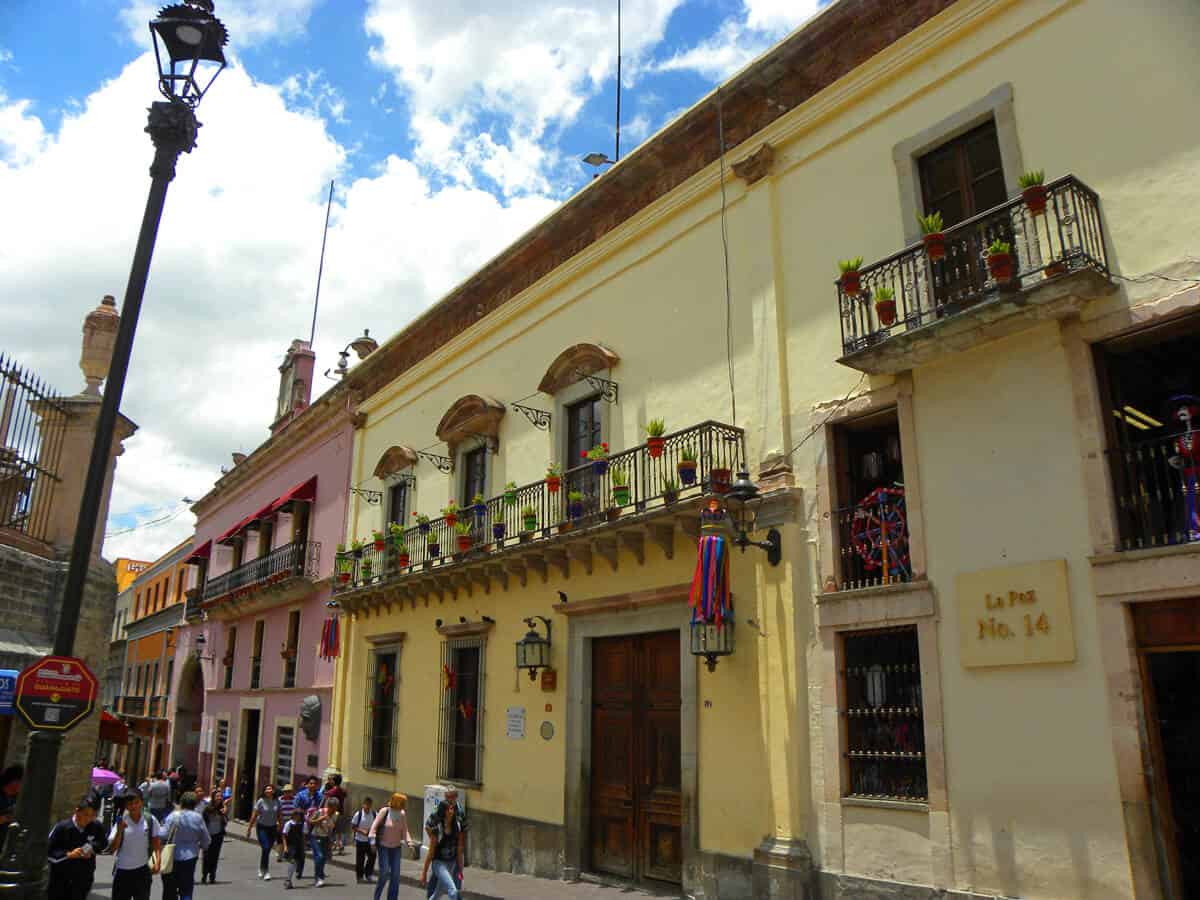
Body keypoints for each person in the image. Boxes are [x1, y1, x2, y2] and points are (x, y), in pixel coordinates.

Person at [47, 794, 108, 900]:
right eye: (86, 814)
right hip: (61, 880)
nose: (88, 819)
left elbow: (103, 843)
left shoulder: (96, 826)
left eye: (93, 815)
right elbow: (49, 851)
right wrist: (69, 854)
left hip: (83, 880)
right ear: (77, 811)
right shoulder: (62, 827)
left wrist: (91, 848)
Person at [107, 789, 162, 900]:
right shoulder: (121, 822)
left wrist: (158, 862)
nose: (133, 806)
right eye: (130, 804)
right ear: (126, 806)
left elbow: (156, 844)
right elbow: (112, 849)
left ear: (142, 802)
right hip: (122, 872)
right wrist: (119, 831)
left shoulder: (150, 820)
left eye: (136, 802)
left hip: (142, 872)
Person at [420, 787, 466, 900]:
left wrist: (460, 868)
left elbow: (460, 845)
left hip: (453, 861)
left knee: (438, 894)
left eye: (451, 797)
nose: (449, 801)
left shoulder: (458, 817)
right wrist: (424, 873)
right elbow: (431, 852)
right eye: (447, 797)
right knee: (453, 891)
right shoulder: (438, 823)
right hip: (439, 862)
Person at [162, 792, 209, 900]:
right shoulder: (198, 818)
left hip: (172, 857)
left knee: (169, 889)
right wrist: (202, 846)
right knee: (186, 889)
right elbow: (206, 839)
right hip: (190, 857)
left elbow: (163, 834)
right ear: (195, 804)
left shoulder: (173, 816)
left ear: (181, 802)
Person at [370, 792, 416, 900]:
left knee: (395, 876)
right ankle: (377, 896)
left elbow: (405, 831)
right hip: (383, 847)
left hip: (396, 848)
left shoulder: (402, 814)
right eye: (402, 803)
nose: (404, 805)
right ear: (396, 802)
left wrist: (410, 843)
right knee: (384, 873)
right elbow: (374, 827)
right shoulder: (384, 811)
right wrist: (372, 842)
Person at [245, 783, 280, 880]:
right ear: (264, 791)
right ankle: (266, 870)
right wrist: (249, 829)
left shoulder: (277, 801)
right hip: (262, 828)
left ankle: (262, 867)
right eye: (267, 789)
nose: (268, 790)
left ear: (273, 791)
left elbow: (279, 815)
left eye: (270, 789)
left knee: (267, 849)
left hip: (272, 828)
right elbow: (254, 815)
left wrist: (280, 827)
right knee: (265, 847)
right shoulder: (261, 801)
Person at [306, 796, 339, 888]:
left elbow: (334, 828)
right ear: (329, 806)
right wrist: (321, 819)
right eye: (333, 806)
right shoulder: (320, 812)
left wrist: (333, 841)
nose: (334, 809)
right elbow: (310, 821)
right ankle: (319, 877)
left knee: (323, 858)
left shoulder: (336, 815)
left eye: (336, 806)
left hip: (326, 838)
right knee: (319, 856)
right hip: (315, 836)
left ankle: (319, 874)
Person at [199, 788, 226, 884]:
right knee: (206, 856)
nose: (219, 798)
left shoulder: (222, 809)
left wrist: (224, 814)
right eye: (217, 796)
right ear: (213, 797)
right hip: (208, 835)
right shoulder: (208, 809)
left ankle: (212, 875)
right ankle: (204, 875)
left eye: (220, 796)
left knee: (215, 856)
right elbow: (202, 822)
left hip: (218, 835)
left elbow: (225, 822)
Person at [351, 797, 377, 884]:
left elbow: (377, 824)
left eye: (369, 804)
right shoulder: (358, 814)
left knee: (372, 857)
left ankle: (368, 873)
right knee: (360, 859)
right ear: (363, 804)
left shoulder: (374, 814)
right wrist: (362, 831)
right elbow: (353, 827)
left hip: (371, 841)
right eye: (366, 804)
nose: (367, 806)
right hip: (360, 840)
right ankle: (359, 876)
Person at [281, 807, 306, 889]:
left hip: (300, 845)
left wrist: (304, 846)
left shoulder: (303, 824)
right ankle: (288, 880)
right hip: (291, 845)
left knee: (300, 861)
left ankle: (298, 872)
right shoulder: (289, 824)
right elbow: (284, 835)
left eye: (299, 815)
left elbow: (304, 836)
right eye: (296, 815)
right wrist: (285, 847)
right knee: (293, 862)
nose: (298, 817)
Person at [323, 774, 348, 854]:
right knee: (338, 832)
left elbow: (327, 801)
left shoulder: (332, 791)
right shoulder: (341, 790)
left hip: (333, 814)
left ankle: (332, 847)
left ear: (334, 781)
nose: (329, 781)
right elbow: (345, 794)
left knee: (330, 831)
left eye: (331, 780)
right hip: (340, 812)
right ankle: (339, 846)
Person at [276, 784, 296, 862]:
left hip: (291, 823)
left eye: (289, 792)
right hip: (282, 822)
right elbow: (276, 812)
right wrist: (278, 822)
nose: (288, 793)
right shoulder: (279, 800)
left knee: (290, 839)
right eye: (286, 792)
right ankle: (279, 855)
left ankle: (289, 855)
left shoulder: (295, 799)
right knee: (280, 839)